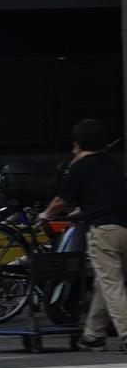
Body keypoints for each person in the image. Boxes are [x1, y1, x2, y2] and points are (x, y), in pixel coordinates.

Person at [38, 118, 127, 352]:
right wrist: (83, 210)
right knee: (103, 283)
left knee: (111, 284)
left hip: (104, 230)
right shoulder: (111, 163)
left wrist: (45, 214)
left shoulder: (81, 165)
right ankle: (93, 335)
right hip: (123, 226)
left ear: (78, 143)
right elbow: (106, 195)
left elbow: (61, 200)